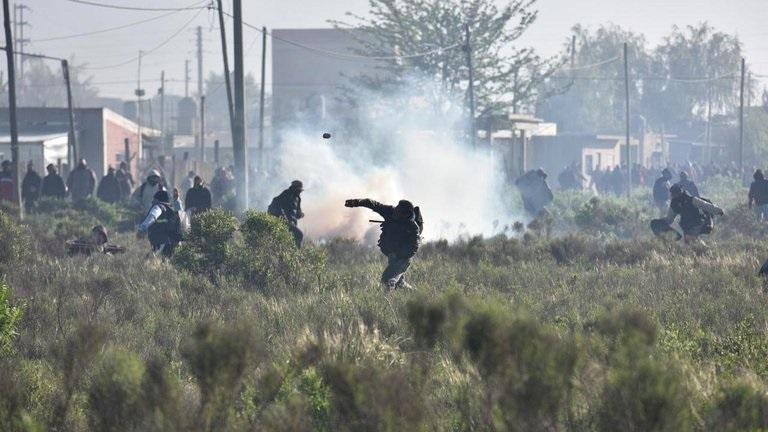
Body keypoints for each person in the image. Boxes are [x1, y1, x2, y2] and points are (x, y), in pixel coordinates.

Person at [345, 198, 423, 289]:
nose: (395, 211)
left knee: (388, 280)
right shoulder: (390, 212)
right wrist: (358, 202)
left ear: (405, 214)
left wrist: (398, 254)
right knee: (399, 284)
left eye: (399, 210)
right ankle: (415, 293)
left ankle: (386, 300)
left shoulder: (413, 227)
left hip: (402, 259)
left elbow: (413, 248)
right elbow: (374, 204)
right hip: (392, 255)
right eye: (397, 208)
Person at [137, 190, 183, 257]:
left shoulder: (158, 207)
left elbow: (152, 217)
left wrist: (142, 228)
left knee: (150, 262)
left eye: (154, 199)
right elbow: (181, 214)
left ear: (158, 200)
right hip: (175, 243)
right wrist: (177, 200)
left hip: (162, 243)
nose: (152, 201)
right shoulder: (172, 209)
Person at [267, 180, 305, 248]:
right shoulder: (286, 194)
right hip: (284, 223)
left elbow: (297, 214)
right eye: (299, 190)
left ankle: (293, 255)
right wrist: (283, 218)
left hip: (292, 224)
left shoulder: (298, 199)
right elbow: (277, 204)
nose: (300, 192)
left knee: (292, 241)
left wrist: (300, 214)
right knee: (299, 235)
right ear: (295, 188)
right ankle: (297, 255)